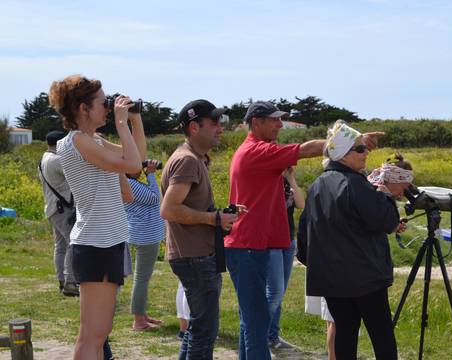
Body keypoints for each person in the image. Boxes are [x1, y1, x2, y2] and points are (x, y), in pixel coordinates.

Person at [225, 101, 383, 359]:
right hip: (249, 247)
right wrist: (353, 141)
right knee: (256, 324)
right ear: (256, 123)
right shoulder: (257, 151)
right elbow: (307, 149)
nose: (280, 124)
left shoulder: (255, 150)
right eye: (274, 120)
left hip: (250, 246)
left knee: (253, 321)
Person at [49, 75, 145, 360]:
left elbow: (137, 156)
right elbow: (132, 165)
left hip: (107, 240)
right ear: (82, 108)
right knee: (91, 335)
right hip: (96, 242)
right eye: (103, 102)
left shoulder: (92, 140)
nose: (108, 106)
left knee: (100, 332)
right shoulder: (77, 142)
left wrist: (134, 120)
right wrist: (120, 123)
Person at [301, 121, 413, 360]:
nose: (366, 153)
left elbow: (304, 238)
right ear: (342, 154)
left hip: (331, 280)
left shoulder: (317, 186)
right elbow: (386, 221)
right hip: (365, 278)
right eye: (360, 149)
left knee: (344, 334)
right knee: (382, 335)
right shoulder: (355, 184)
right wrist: (384, 193)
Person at [160, 99, 243, 359]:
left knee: (197, 329)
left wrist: (220, 216)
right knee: (204, 332)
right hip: (194, 257)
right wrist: (213, 219)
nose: (221, 127)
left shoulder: (194, 158)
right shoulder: (188, 161)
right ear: (195, 127)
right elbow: (169, 209)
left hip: (192, 254)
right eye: (215, 122)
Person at [121, 157, 165, 331]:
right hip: (145, 235)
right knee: (141, 279)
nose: (139, 168)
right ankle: (138, 321)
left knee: (142, 278)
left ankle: (142, 314)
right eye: (135, 165)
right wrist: (151, 175)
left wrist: (147, 175)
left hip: (143, 233)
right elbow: (155, 199)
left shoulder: (130, 182)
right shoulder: (129, 184)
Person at [266, 166, 305, 350]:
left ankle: (272, 337)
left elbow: (300, 204)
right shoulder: (266, 181)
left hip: (289, 239)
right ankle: (258, 334)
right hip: (271, 241)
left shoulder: (286, 182)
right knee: (274, 292)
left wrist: (291, 177)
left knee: (279, 293)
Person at [38, 130, 79, 297]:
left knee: (60, 247)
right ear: (59, 143)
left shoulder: (43, 158)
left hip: (53, 208)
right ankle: (70, 283)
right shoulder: (57, 160)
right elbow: (76, 174)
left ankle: (62, 280)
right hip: (63, 209)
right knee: (73, 244)